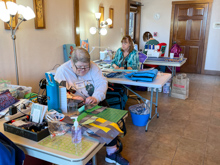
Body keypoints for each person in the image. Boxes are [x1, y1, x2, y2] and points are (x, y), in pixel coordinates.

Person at [54, 47, 129, 165]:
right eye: (79, 67)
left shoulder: (94, 67)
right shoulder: (62, 71)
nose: (83, 70)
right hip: (74, 108)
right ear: (71, 63)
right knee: (80, 130)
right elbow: (59, 93)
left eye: (86, 67)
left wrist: (96, 97)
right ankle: (85, 158)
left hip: (94, 103)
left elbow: (102, 83)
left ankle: (112, 153)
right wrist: (72, 98)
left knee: (110, 122)